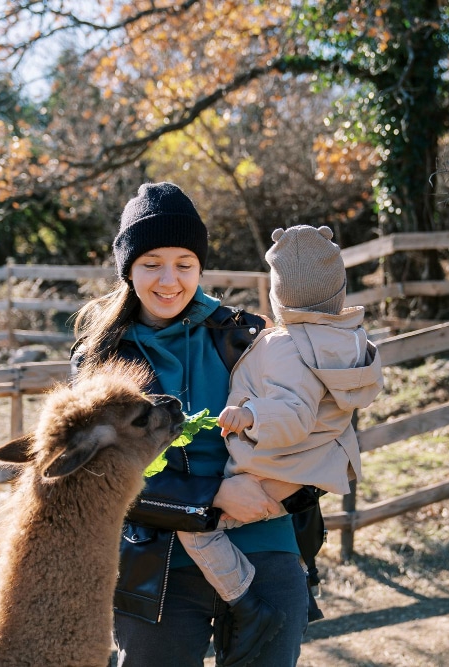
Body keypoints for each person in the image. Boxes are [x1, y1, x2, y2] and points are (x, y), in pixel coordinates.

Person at [71, 182, 307, 667]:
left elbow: (309, 428)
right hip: (157, 559)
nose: (169, 279)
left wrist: (272, 488)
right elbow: (95, 477)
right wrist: (211, 498)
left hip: (262, 541)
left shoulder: (247, 337)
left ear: (200, 267)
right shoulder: (98, 359)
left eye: (184, 263)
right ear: (127, 269)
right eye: (151, 262)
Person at [176, 225, 384, 664]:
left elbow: (292, 415)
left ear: (278, 294)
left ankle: (245, 601)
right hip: (297, 475)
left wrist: (250, 415)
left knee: (194, 526)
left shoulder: (287, 347)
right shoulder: (344, 340)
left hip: (266, 469)